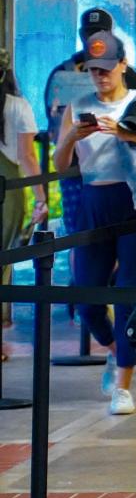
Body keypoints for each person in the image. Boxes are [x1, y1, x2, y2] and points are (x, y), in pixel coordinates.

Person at [52, 32, 136, 415]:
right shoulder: (77, 105)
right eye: (93, 69)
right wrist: (71, 138)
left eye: (106, 68)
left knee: (129, 294)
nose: (99, 76)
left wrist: (122, 132)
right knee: (87, 297)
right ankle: (117, 350)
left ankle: (124, 383)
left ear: (122, 65)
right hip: (95, 199)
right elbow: (62, 165)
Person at [44, 7, 136, 142]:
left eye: (100, 33)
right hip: (72, 150)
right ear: (81, 35)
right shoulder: (62, 72)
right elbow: (52, 117)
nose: (94, 38)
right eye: (89, 33)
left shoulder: (125, 72)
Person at [0, 49, 46, 327]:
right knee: (4, 260)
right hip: (10, 191)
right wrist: (41, 199)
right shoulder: (17, 106)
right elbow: (27, 156)